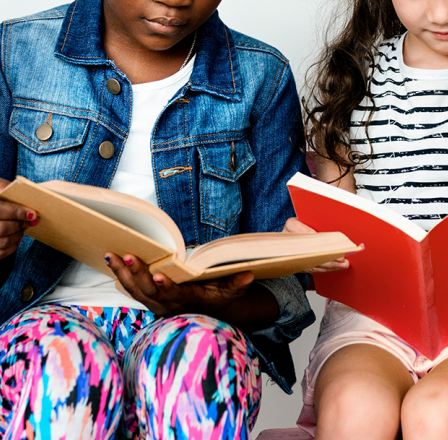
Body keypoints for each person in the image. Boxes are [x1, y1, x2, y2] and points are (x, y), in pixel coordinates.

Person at [0, 0, 315, 439]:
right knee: (60, 368)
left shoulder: (262, 75)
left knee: (200, 358)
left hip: (196, 325)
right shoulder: (16, 49)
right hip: (42, 319)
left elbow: (287, 286)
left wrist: (213, 304)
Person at [284, 0, 448, 438]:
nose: (442, 14)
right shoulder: (351, 80)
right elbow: (336, 218)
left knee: (441, 411)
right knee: (356, 409)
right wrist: (309, 243)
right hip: (371, 322)